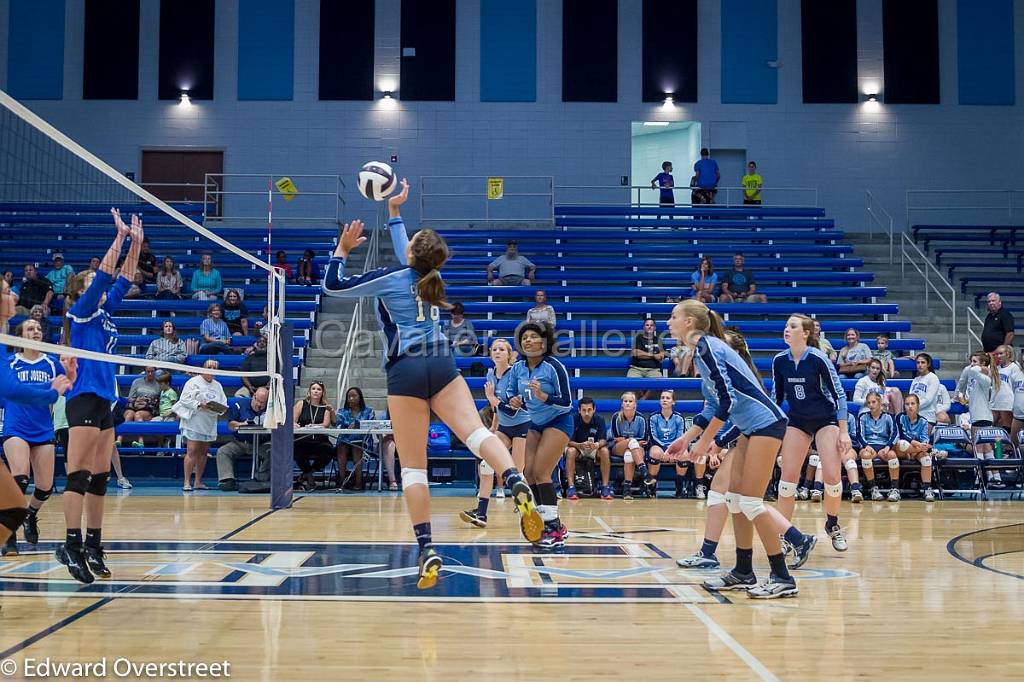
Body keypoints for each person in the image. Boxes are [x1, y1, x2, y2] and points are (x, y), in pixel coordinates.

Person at [322, 179, 542, 588]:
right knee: (477, 434)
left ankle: (427, 548)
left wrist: (343, 249)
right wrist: (394, 212)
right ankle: (514, 479)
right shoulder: (431, 274)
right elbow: (413, 250)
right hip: (441, 360)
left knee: (413, 468)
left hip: (405, 369)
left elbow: (333, 286)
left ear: (411, 253)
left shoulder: (392, 277)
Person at [665, 300, 816, 599]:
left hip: (765, 425)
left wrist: (706, 442)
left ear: (689, 324)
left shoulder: (707, 348)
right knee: (734, 499)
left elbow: (727, 402)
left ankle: (782, 577)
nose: (667, 322)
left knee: (750, 502)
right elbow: (712, 404)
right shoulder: (703, 350)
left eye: (673, 316)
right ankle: (743, 571)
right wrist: (688, 437)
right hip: (750, 427)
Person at [56, 207, 139, 584]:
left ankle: (94, 545)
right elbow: (106, 276)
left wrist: (136, 243)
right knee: (79, 475)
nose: (98, 285)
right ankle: (70, 545)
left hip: (104, 399)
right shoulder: (82, 312)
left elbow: (123, 279)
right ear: (80, 291)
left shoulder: (105, 314)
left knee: (101, 478)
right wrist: (119, 237)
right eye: (89, 282)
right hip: (84, 396)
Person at [772, 314, 851, 553]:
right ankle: (784, 535)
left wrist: (844, 431)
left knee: (832, 478)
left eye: (793, 326)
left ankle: (832, 524)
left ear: (805, 333)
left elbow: (840, 395)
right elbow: (776, 400)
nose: (787, 329)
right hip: (797, 420)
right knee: (787, 481)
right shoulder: (779, 361)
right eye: (786, 325)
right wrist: (772, 433)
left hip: (825, 420)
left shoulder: (818, 359)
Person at [500, 321, 573, 549]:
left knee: (542, 472)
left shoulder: (554, 367)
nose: (528, 341)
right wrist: (513, 401)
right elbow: (510, 395)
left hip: (559, 421)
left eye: (533, 337)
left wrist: (544, 397)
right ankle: (545, 523)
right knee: (528, 473)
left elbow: (567, 403)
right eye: (524, 338)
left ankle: (554, 528)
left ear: (544, 342)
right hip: (536, 423)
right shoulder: (518, 369)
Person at [1, 319, 68, 556]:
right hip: (16, 426)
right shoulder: (10, 363)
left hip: (42, 428)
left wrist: (69, 373)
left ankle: (30, 515)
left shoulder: (51, 363)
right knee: (20, 478)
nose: (36, 331)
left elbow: (67, 384)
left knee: (45, 487)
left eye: (38, 328)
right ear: (19, 336)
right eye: (30, 328)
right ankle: (8, 535)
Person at [461, 339, 529, 526]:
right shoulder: (490, 374)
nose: (497, 352)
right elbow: (497, 408)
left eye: (501, 349)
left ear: (508, 354)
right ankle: (481, 513)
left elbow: (512, 409)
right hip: (504, 427)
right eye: (494, 349)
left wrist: (491, 398)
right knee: (486, 464)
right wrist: (494, 428)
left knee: (518, 472)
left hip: (522, 425)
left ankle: (529, 512)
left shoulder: (516, 374)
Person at [176, 360, 227, 492]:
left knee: (204, 453)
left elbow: (223, 403)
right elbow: (184, 400)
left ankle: (198, 482)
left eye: (214, 368)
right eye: (209, 367)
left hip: (209, 422)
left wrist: (219, 408)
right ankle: (186, 482)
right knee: (192, 451)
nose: (211, 370)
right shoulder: (192, 382)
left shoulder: (218, 386)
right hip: (194, 420)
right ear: (203, 368)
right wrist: (200, 404)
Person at [215, 387, 269, 491]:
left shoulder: (270, 409)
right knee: (223, 451)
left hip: (261, 443)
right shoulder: (240, 404)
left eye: (263, 403)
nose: (259, 405)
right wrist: (242, 424)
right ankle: (227, 480)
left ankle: (261, 478)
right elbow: (231, 425)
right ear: (253, 396)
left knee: (273, 453)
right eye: (257, 400)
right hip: (240, 442)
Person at [564, 396, 611, 501]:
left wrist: (597, 445)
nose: (586, 413)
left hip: (594, 448)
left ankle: (605, 488)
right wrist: (579, 445)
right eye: (584, 410)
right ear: (579, 410)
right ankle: (571, 488)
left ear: (594, 410)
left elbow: (604, 440)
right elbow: (568, 441)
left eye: (589, 410)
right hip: (577, 447)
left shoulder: (599, 419)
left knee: (604, 451)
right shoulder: (572, 419)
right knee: (570, 451)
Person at [857, 393, 900, 502]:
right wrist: (866, 445)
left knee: (892, 455)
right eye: (869, 402)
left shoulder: (888, 417)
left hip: (883, 446)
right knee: (865, 456)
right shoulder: (863, 417)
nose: (871, 405)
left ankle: (895, 489)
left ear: (880, 402)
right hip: (868, 446)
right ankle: (873, 489)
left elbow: (895, 433)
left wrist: (888, 446)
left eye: (874, 402)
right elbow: (859, 434)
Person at [293, 382, 335, 492]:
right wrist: (294, 424)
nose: (316, 391)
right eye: (313, 389)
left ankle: (307, 474)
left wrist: (315, 425)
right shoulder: (301, 404)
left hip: (319, 440)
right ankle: (310, 477)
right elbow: (292, 420)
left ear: (322, 393)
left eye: (319, 389)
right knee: (296, 448)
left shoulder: (326, 407)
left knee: (328, 450)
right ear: (309, 391)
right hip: (303, 438)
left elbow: (326, 424)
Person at [896, 394, 937, 502]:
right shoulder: (900, 417)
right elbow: (902, 435)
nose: (910, 406)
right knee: (902, 444)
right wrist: (918, 444)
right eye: (907, 404)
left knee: (927, 460)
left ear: (918, 406)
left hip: (916, 451)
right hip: (902, 451)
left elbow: (925, 438)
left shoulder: (923, 421)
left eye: (912, 404)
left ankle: (927, 490)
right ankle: (933, 452)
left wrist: (923, 445)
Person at [609, 391, 651, 499]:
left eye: (630, 401)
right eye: (625, 401)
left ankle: (626, 491)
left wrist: (627, 440)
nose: (627, 403)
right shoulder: (616, 417)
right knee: (632, 442)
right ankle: (644, 472)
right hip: (617, 448)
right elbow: (616, 438)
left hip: (636, 449)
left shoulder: (641, 418)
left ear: (635, 404)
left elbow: (644, 440)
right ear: (622, 404)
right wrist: (631, 440)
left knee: (629, 455)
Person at [647, 390, 687, 499]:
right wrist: (665, 450)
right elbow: (653, 437)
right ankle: (652, 487)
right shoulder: (653, 417)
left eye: (668, 398)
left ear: (673, 402)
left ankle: (679, 487)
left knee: (684, 454)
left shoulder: (679, 418)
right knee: (655, 452)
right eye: (662, 397)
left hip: (674, 447)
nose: (664, 400)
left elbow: (680, 437)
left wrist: (670, 450)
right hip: (658, 446)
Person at [334, 386, 374, 490]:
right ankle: (342, 481)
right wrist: (331, 412)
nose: (351, 399)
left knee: (356, 447)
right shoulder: (342, 411)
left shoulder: (368, 411)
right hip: (345, 441)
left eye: (354, 396)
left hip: (362, 442)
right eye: (349, 397)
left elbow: (373, 425)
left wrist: (359, 424)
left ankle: (358, 482)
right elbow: (335, 423)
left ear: (360, 397)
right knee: (341, 448)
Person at [628, 318, 665, 400]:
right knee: (631, 381)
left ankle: (643, 399)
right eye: (647, 325)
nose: (649, 327)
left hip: (653, 369)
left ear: (655, 327)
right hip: (636, 368)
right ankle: (642, 397)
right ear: (644, 327)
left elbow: (661, 356)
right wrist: (653, 355)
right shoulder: (638, 338)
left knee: (659, 381)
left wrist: (643, 354)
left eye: (651, 325)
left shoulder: (658, 340)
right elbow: (635, 353)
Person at [909, 353, 946, 425]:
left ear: (928, 364)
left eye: (923, 362)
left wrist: (913, 407)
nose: (920, 365)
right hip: (914, 415)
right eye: (918, 363)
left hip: (927, 417)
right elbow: (911, 397)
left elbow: (928, 399)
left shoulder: (933, 378)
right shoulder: (915, 379)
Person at [999, 345, 1024, 447]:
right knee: (1014, 442)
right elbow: (1013, 392)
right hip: (1018, 415)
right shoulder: (1015, 376)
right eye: (1023, 361)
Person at [990, 345, 1016, 432]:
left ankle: (1006, 446)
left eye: (1001, 353)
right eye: (997, 354)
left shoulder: (1014, 367)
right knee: (990, 426)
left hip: (1007, 402)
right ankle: (997, 445)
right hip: (995, 401)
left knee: (1006, 428)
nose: (998, 356)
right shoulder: (996, 368)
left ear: (1008, 354)